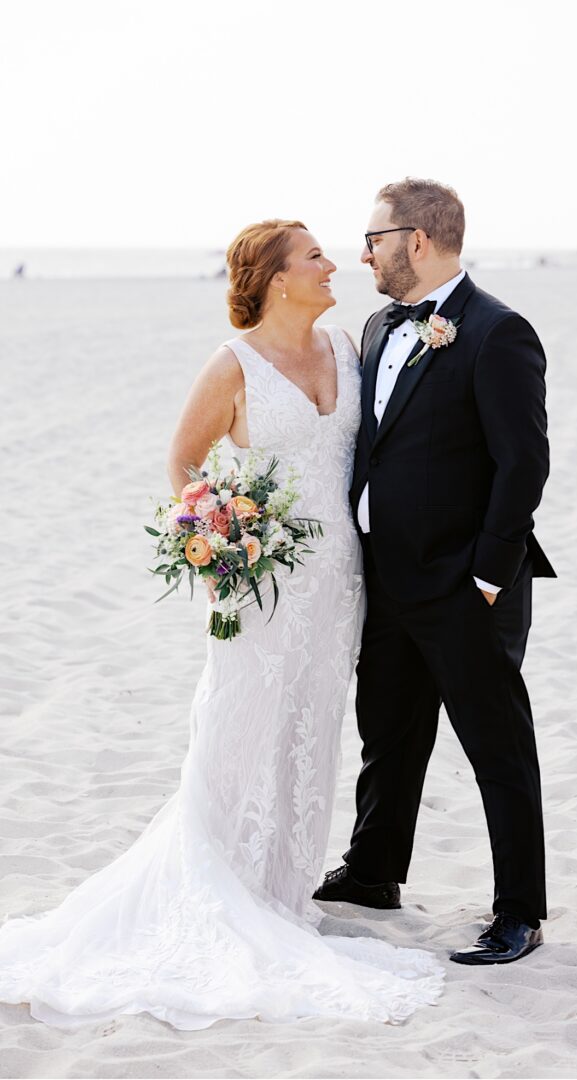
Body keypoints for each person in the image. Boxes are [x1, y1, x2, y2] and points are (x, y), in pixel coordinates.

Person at [0, 220, 445, 1028]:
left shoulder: (346, 348)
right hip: (260, 580)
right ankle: (222, 880)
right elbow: (183, 461)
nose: (331, 263)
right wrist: (218, 541)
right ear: (277, 278)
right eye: (314, 256)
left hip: (338, 579)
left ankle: (279, 890)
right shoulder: (232, 362)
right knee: (240, 724)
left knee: (311, 725)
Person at [312, 179, 555, 966]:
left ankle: (520, 910)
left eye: (374, 239)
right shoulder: (379, 325)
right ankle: (375, 873)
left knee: (496, 747)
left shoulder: (497, 331)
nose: (364, 254)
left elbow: (524, 463)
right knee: (389, 730)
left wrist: (488, 573)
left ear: (417, 240)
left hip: (463, 582)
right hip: (385, 573)